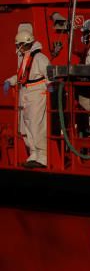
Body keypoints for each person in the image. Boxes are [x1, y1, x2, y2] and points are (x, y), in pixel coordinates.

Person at [4, 27, 50, 168]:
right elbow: (21, 75)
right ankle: (34, 153)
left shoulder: (40, 58)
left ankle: (43, 155)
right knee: (27, 125)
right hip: (27, 93)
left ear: (23, 44)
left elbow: (49, 74)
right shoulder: (26, 57)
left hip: (37, 93)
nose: (17, 47)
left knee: (37, 124)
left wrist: (50, 86)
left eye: (18, 45)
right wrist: (10, 81)